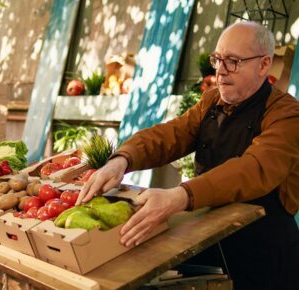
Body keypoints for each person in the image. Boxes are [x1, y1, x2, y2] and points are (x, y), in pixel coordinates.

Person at [77, 21, 299, 290]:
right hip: (209, 233)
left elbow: (254, 168)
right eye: (217, 60)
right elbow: (170, 135)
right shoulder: (211, 101)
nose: (220, 71)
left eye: (233, 62)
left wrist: (180, 196)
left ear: (264, 65)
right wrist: (122, 159)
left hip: (264, 250)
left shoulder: (287, 114)